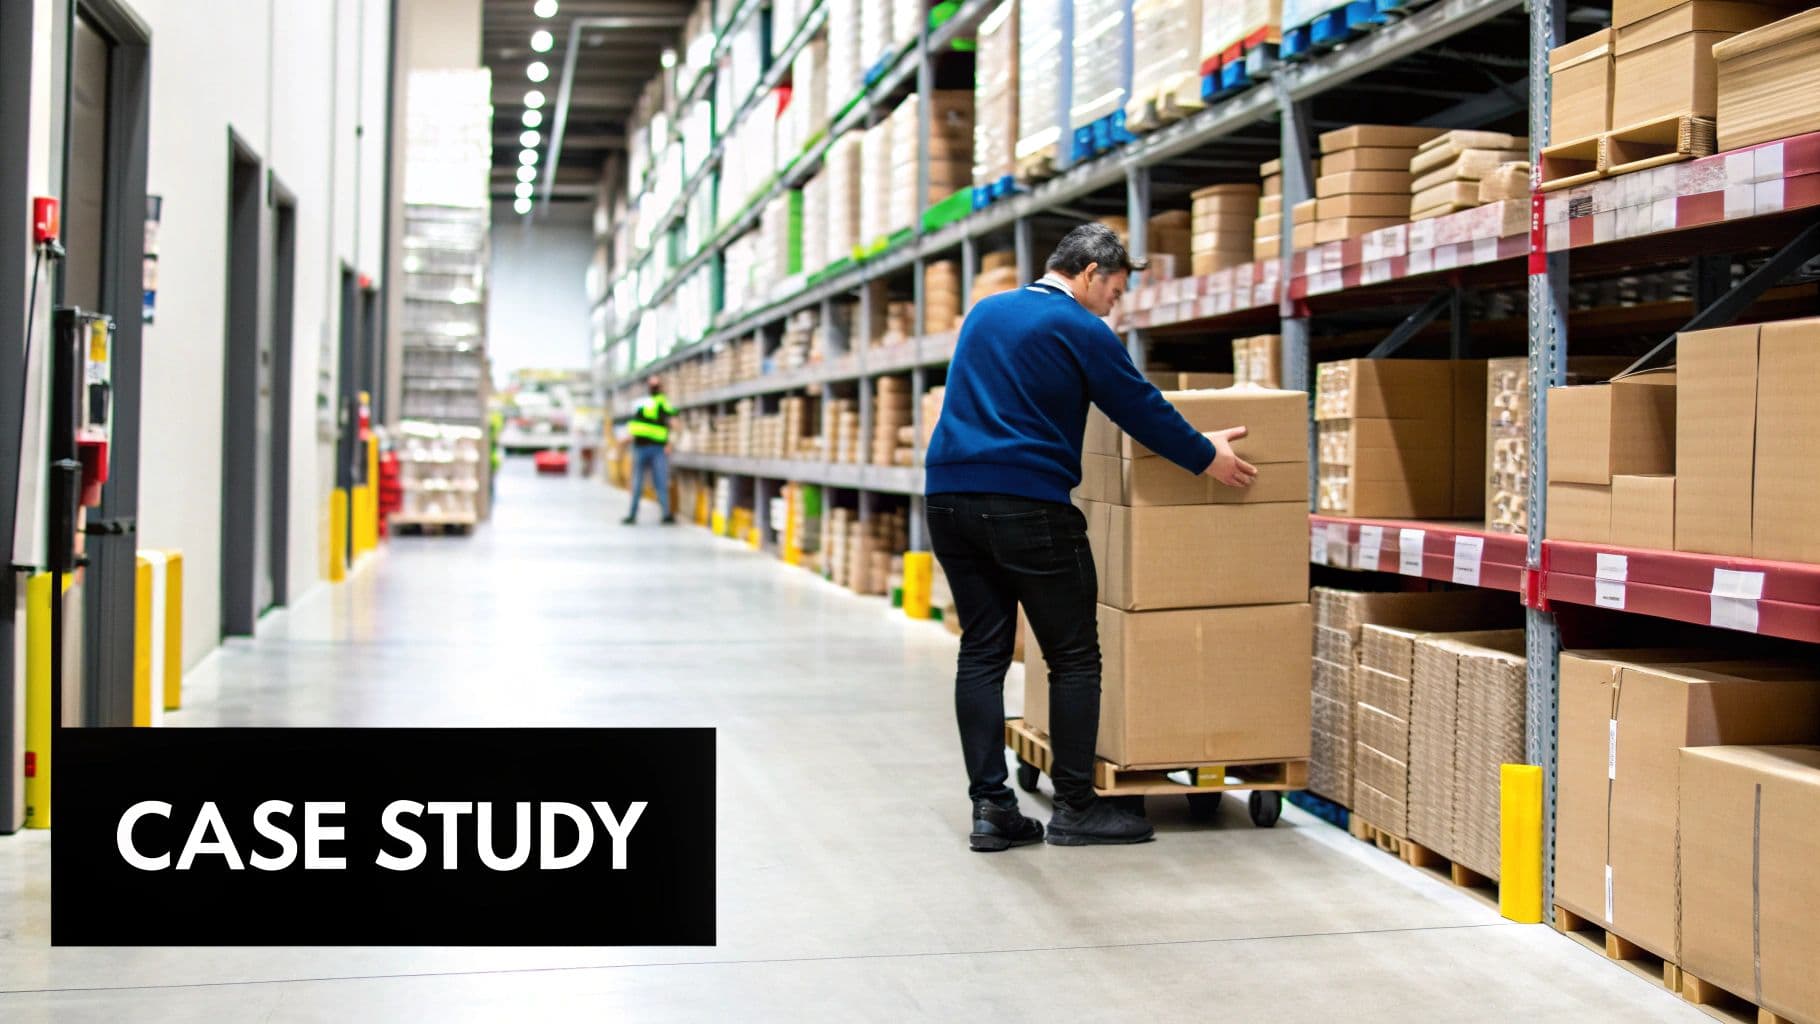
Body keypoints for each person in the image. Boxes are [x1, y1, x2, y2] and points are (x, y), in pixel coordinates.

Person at [924, 223, 1258, 851]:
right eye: (1116, 288)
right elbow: (1139, 405)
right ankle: (1077, 807)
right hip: (1028, 506)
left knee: (984, 651)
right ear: (1088, 273)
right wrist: (1204, 456)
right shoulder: (1081, 327)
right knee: (1074, 655)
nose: (1116, 303)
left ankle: (992, 809)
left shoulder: (987, 312)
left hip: (948, 500)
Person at [623, 375, 677, 525]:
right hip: (640, 447)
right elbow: (635, 424)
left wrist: (670, 443)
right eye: (652, 384)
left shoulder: (663, 402)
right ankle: (632, 514)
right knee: (637, 482)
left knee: (661, 481)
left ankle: (666, 514)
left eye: (656, 384)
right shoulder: (641, 403)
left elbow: (673, 423)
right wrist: (628, 438)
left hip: (658, 448)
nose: (654, 387)